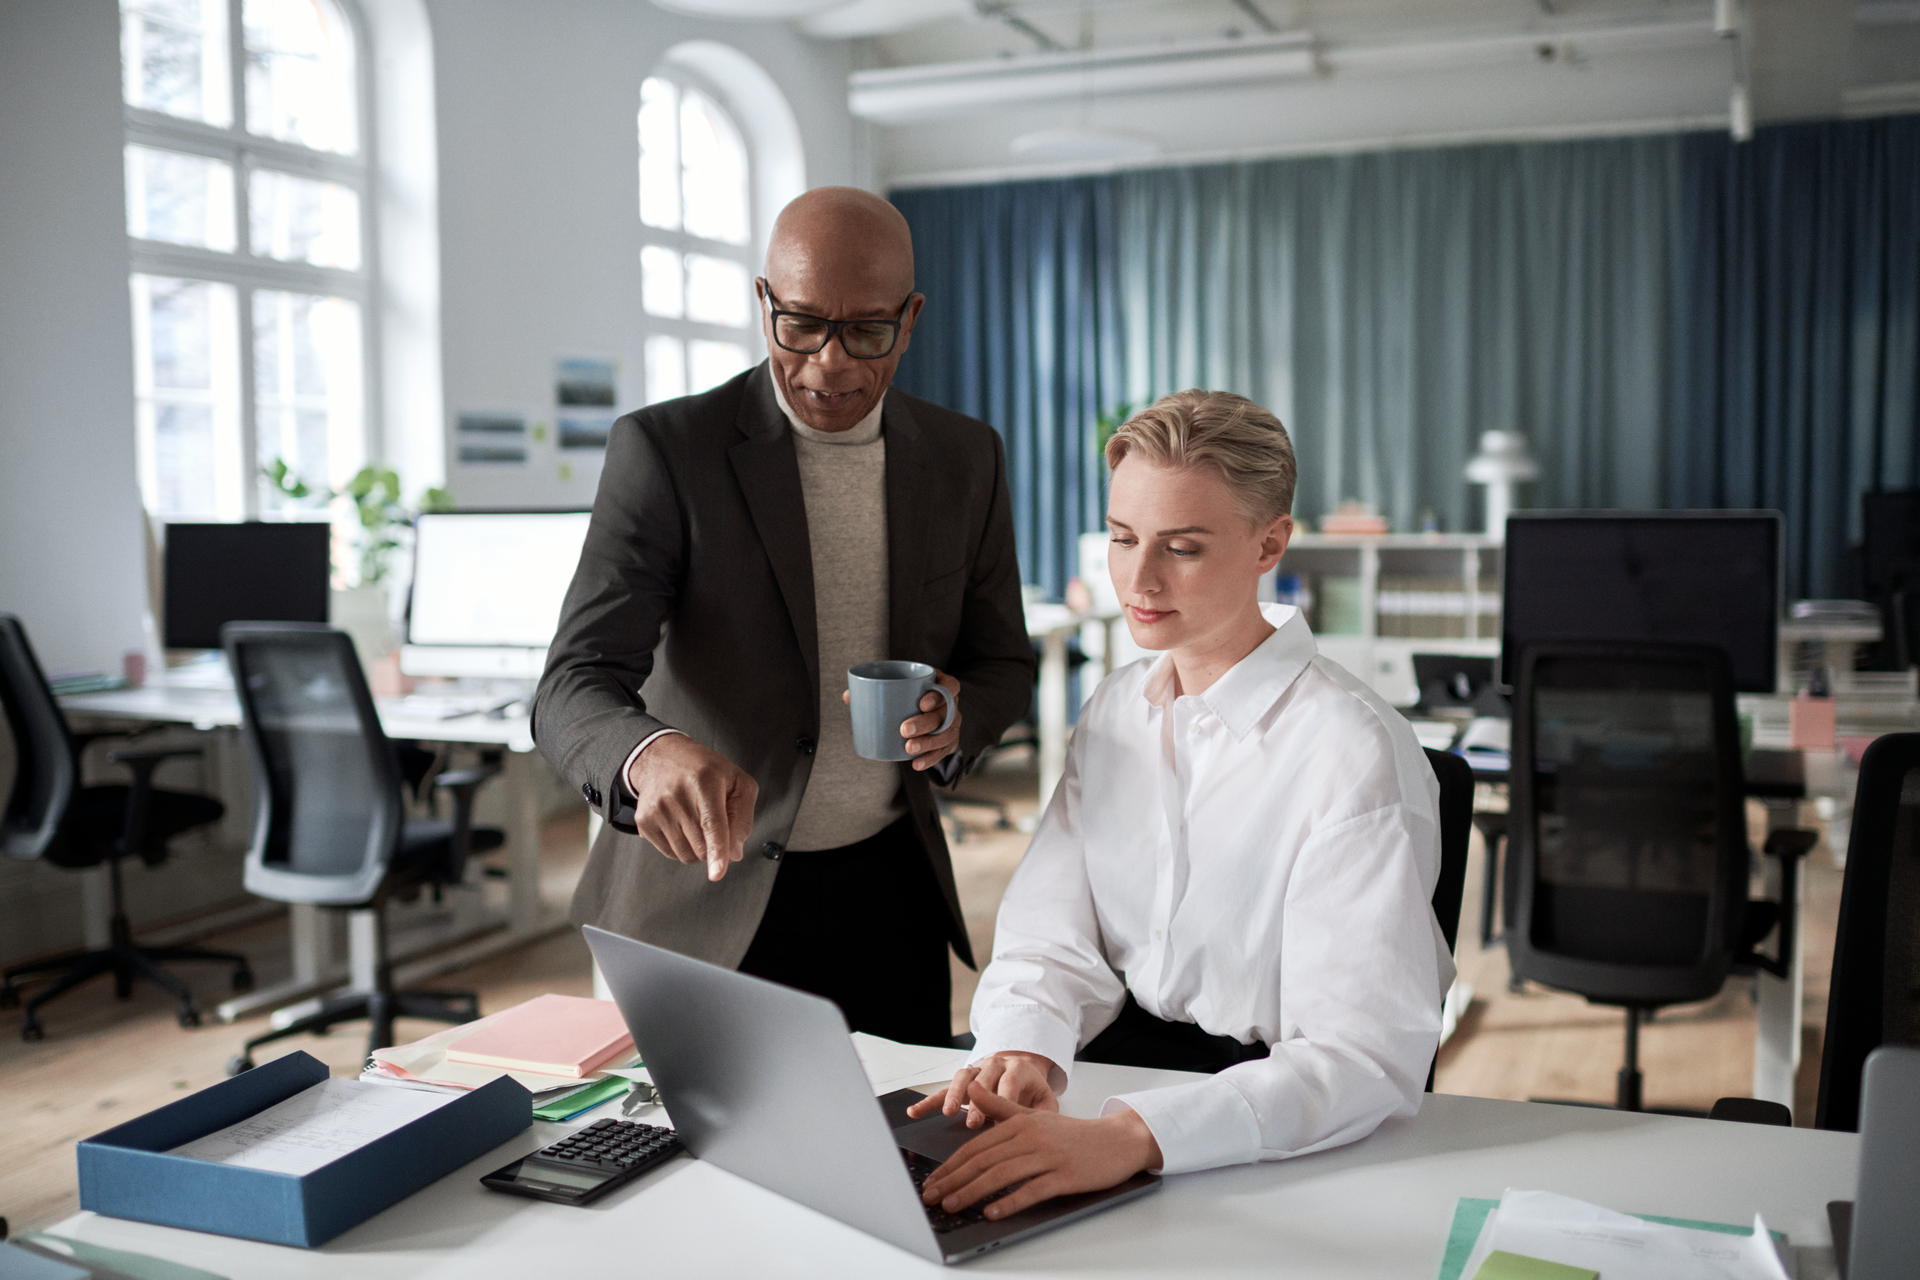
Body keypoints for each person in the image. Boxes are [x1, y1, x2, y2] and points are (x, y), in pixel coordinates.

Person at [908, 390, 1453, 1218]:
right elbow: (1052, 928)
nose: (1140, 578)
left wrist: (1135, 1138)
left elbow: (1364, 1056)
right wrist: (1025, 1045)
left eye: (1183, 548)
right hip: (1118, 1063)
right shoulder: (1118, 709)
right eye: (1123, 539)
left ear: (1270, 542)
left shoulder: (1350, 751)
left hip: (1272, 1110)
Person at [534, 187, 1034, 1046]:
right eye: (799, 324)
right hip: (702, 901)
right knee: (692, 1177)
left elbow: (1003, 662)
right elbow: (572, 683)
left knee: (894, 1166)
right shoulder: (667, 453)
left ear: (910, 321)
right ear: (762, 302)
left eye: (866, 331)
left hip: (889, 895)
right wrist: (646, 756)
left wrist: (956, 718)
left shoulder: (965, 457)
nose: (828, 364)